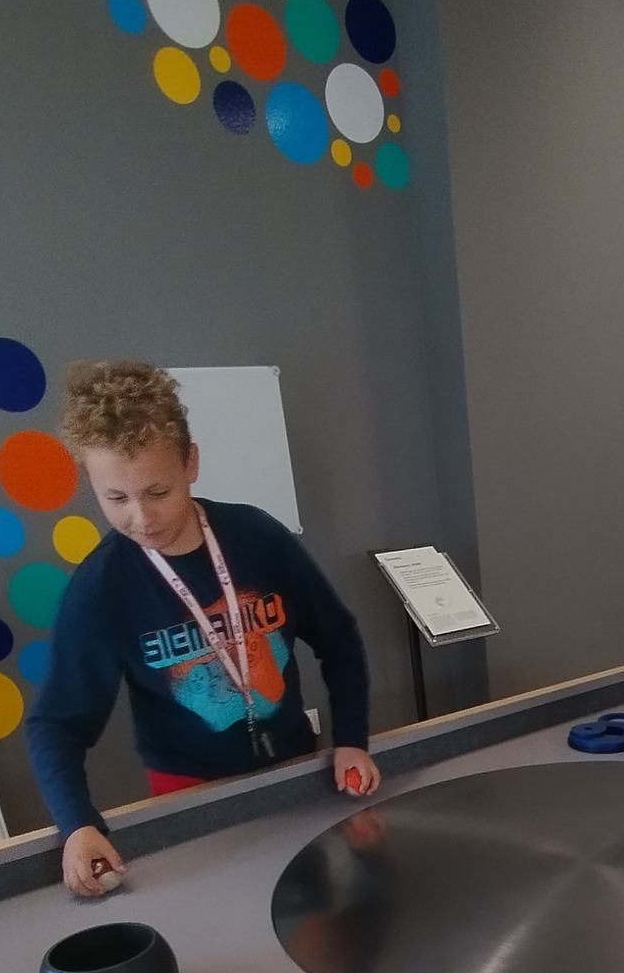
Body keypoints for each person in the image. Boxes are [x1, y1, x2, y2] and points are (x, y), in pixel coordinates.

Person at [27, 361, 380, 897]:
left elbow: (339, 638)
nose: (142, 519)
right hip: (188, 796)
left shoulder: (257, 535)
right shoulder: (102, 587)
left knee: (317, 904)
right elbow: (55, 724)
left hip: (295, 768)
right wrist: (77, 824)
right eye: (116, 499)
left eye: (158, 491)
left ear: (191, 463)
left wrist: (352, 739)